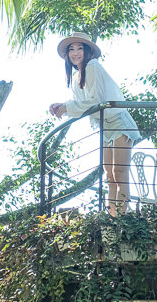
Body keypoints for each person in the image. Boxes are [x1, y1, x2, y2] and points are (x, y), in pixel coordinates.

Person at [49, 32, 139, 216]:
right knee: (109, 175)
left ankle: (122, 218)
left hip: (118, 122)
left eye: (79, 48)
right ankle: (112, 218)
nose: (75, 53)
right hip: (103, 127)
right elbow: (81, 106)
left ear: (87, 50)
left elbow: (96, 101)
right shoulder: (75, 77)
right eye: (71, 49)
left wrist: (67, 107)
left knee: (119, 171)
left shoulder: (93, 66)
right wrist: (61, 106)